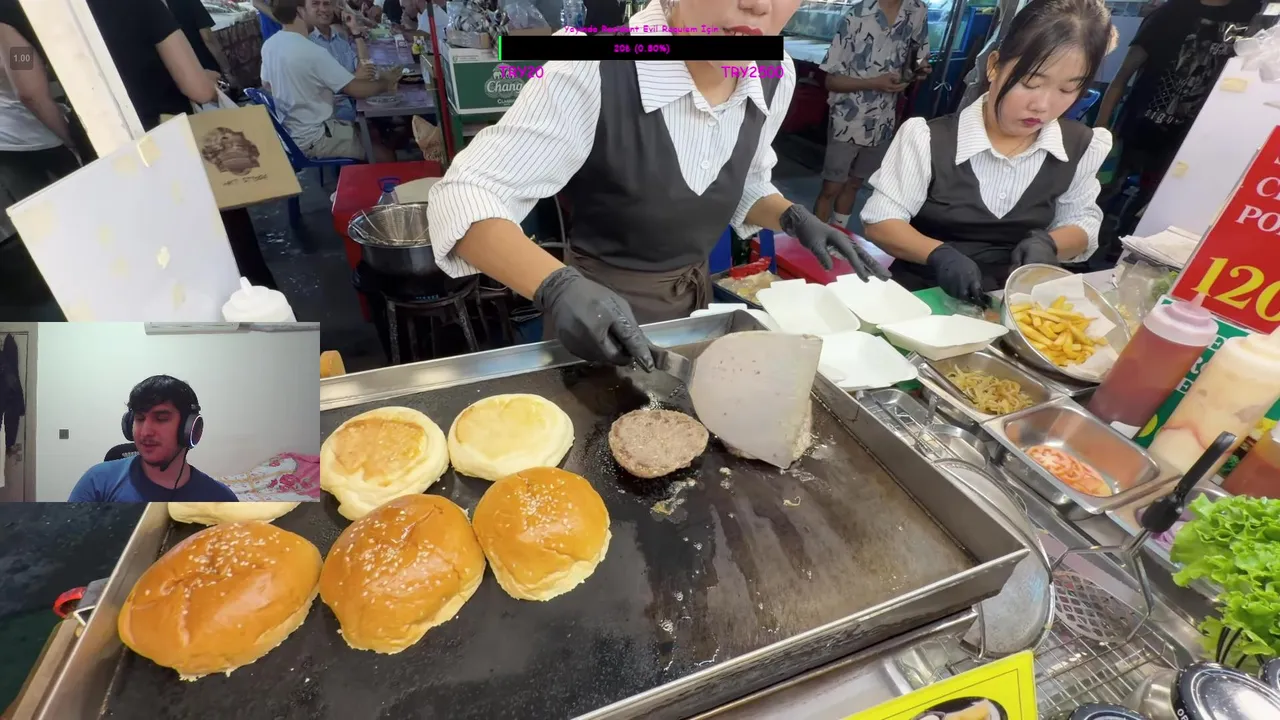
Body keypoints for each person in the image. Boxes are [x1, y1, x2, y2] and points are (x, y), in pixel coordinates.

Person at [427, 0, 887, 369]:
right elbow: (465, 194)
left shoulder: (773, 70)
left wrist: (792, 216)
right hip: (596, 328)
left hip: (695, 319)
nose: (758, 5)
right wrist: (556, 286)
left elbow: (741, 179)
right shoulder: (593, 68)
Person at [861, 0, 1114, 305]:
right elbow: (881, 221)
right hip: (921, 298)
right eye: (1031, 83)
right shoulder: (927, 138)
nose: (1042, 105)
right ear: (994, 66)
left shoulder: (1081, 146)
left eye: (1067, 90)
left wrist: (1050, 243)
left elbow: (1083, 222)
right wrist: (938, 254)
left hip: (1015, 303)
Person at [1095, 0, 1261, 236]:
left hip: (1191, 140)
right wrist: (1101, 128)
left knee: (1153, 204)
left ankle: (1121, 247)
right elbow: (1122, 76)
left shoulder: (1253, 12)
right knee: (1103, 190)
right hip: (1137, 127)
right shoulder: (1171, 12)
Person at [815, 0, 930, 229]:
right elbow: (831, 80)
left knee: (855, 184)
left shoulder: (917, 10)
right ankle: (815, 241)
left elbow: (919, 54)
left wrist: (919, 68)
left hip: (883, 120)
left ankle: (838, 236)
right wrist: (873, 83)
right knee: (831, 187)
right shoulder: (857, 15)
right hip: (849, 118)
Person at [0, 0, 82, 320]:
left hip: (13, 143)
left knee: (41, 237)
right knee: (66, 236)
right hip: (33, 142)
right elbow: (30, 91)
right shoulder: (7, 18)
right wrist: (70, 139)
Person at [261, 0, 400, 161]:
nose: (321, 10)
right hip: (316, 136)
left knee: (371, 133)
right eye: (313, 5)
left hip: (290, 136)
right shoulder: (312, 51)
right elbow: (357, 90)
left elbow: (267, 85)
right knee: (386, 156)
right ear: (300, 11)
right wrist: (387, 84)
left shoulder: (270, 44)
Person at [68, 376, 237, 502]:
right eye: (140, 418)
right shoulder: (97, 481)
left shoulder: (220, 499)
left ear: (189, 428)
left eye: (161, 419)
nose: (145, 432)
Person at [166, 0, 236, 82]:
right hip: (205, 66)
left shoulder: (158, 7)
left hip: (178, 72)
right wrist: (227, 71)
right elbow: (208, 38)